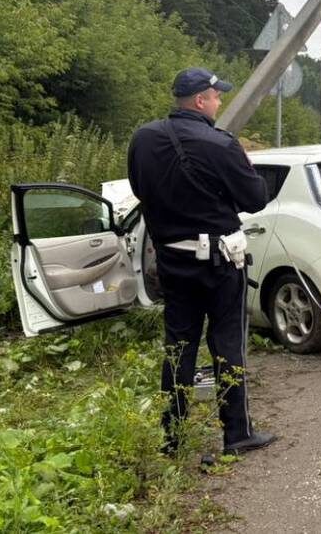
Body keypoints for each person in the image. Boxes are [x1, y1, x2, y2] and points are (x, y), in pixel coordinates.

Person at [128, 67, 274, 458]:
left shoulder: (143, 139)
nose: (220, 101)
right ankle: (237, 433)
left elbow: (139, 189)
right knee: (228, 343)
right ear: (199, 101)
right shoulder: (220, 144)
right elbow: (256, 198)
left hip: (172, 262)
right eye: (216, 95)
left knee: (178, 347)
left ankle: (172, 437)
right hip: (220, 263)